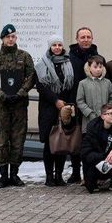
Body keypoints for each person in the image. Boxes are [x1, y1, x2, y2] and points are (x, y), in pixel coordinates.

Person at [0, 24, 37, 188]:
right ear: (2, 39)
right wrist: (0, 94)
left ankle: (14, 174)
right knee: (1, 141)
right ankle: (3, 175)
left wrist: (20, 92)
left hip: (19, 105)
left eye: (13, 36)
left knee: (17, 140)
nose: (10, 39)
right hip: (2, 106)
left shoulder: (24, 56)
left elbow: (31, 76)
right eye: (8, 37)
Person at [35, 35, 78, 186]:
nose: (57, 47)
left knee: (62, 142)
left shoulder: (69, 62)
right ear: (50, 47)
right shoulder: (41, 64)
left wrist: (67, 104)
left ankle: (59, 175)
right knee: (49, 143)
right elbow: (41, 87)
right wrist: (55, 100)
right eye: (54, 45)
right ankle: (49, 176)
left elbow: (72, 85)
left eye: (59, 45)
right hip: (48, 108)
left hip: (65, 108)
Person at [80, 102, 112, 193]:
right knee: (92, 188)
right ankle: (94, 180)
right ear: (103, 116)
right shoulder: (93, 128)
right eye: (110, 113)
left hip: (111, 160)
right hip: (96, 162)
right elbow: (85, 153)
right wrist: (105, 158)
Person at [76, 55, 112, 128]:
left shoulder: (107, 82)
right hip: (89, 119)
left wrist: (107, 111)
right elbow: (80, 101)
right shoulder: (83, 83)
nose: (98, 69)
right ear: (89, 68)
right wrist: (90, 113)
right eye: (95, 67)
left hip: (106, 118)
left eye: (100, 67)